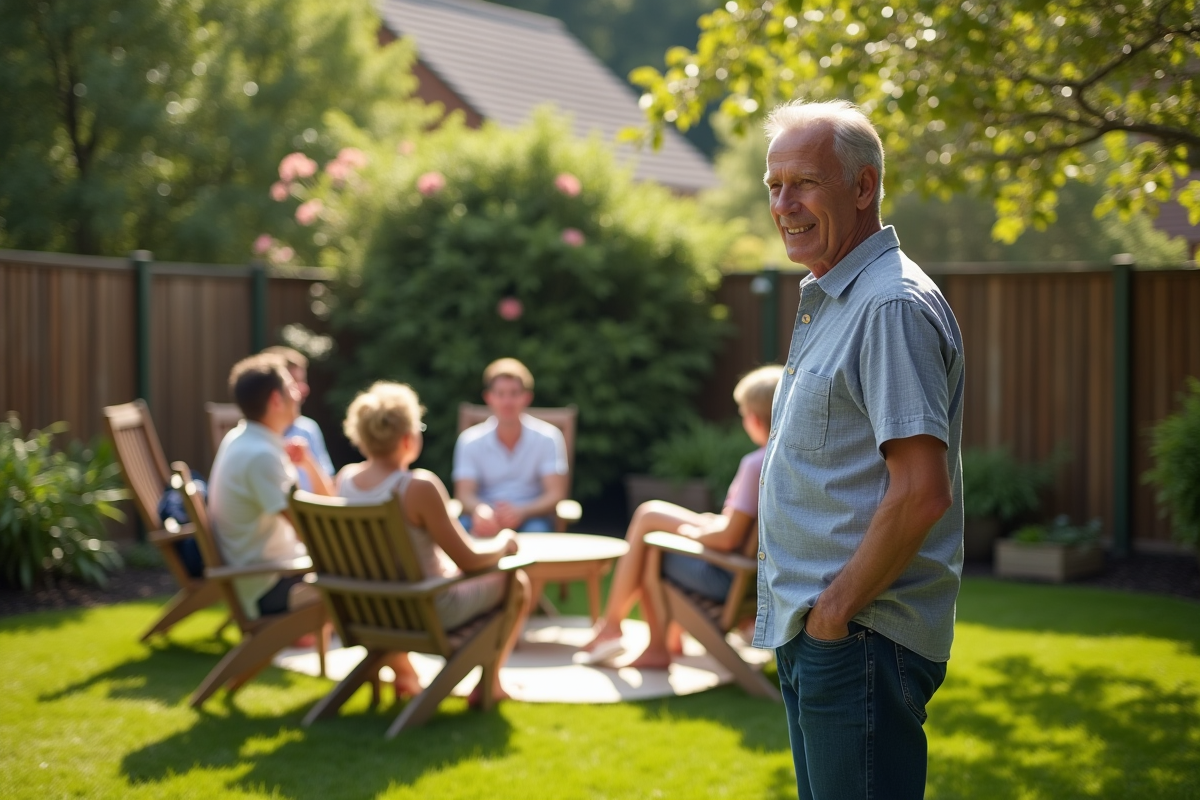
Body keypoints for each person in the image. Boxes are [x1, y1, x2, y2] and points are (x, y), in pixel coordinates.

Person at [756, 99, 965, 800]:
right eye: (774, 185)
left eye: (805, 182)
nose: (785, 203)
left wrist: (832, 618)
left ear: (863, 186)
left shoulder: (889, 307)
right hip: (825, 633)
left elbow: (920, 492)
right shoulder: (836, 296)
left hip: (859, 637)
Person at [336, 381, 532, 702]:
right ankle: (490, 685)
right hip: (425, 609)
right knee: (518, 582)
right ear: (407, 438)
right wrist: (504, 543)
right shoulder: (418, 487)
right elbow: (469, 560)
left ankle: (406, 672)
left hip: (366, 609)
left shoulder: (344, 481)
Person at [579, 365, 784, 667]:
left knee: (653, 548)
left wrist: (692, 532)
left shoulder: (756, 464)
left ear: (753, 419)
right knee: (650, 514)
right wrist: (705, 522)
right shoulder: (786, 460)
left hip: (728, 577)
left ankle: (645, 643)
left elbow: (728, 538)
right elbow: (741, 526)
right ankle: (630, 633)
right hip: (755, 579)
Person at [208, 354, 334, 621]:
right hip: (268, 586)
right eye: (292, 387)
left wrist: (308, 463)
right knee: (370, 589)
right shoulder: (261, 455)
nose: (299, 392)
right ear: (276, 400)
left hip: (276, 571)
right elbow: (308, 530)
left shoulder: (246, 439)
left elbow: (322, 505)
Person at [453, 358, 569, 536]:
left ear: (526, 397)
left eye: (514, 393)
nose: (507, 402)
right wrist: (483, 511)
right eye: (500, 394)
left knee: (537, 531)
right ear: (489, 397)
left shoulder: (549, 437)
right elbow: (464, 495)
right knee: (462, 533)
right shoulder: (469, 440)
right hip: (484, 519)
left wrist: (522, 511)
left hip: (532, 519)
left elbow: (555, 494)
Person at [262, 346, 334, 492]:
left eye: (303, 381)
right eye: (293, 383)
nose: (304, 390)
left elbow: (329, 487)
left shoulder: (308, 428)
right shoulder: (257, 439)